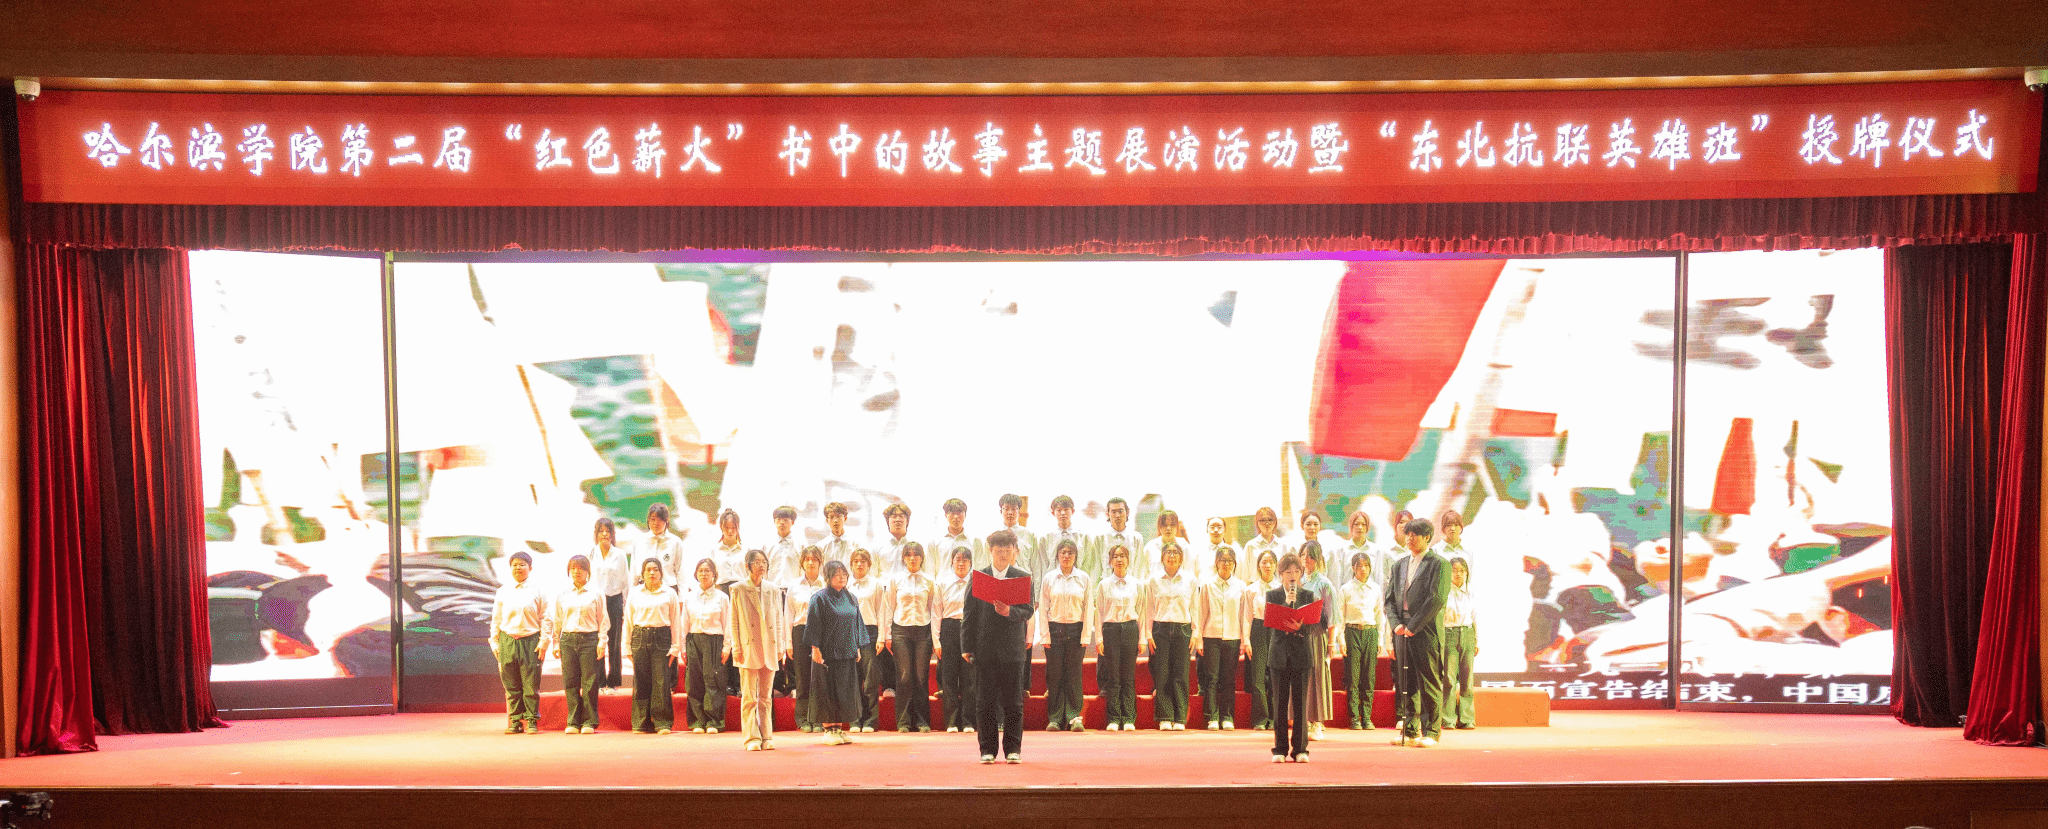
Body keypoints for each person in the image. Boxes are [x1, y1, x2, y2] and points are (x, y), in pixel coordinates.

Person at [963, 529, 1035, 764]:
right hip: (985, 648)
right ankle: (987, 750)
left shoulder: (1022, 577)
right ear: (990, 550)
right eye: (998, 549)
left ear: (1014, 551)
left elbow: (1028, 610)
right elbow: (969, 613)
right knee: (984, 701)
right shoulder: (979, 577)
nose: (1003, 553)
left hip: (1013, 649)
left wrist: (1009, 611)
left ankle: (1013, 749)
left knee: (1014, 702)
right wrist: (966, 646)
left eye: (1007, 549)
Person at [1385, 518, 1451, 748]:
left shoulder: (1439, 564)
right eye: (1407, 534)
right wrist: (1396, 624)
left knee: (1429, 682)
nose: (1409, 538)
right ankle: (1411, 731)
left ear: (1427, 537)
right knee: (1407, 683)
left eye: (1415, 535)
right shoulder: (1399, 565)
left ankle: (1431, 731)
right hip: (1401, 630)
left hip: (1425, 630)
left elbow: (1436, 599)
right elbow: (1389, 600)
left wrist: (1413, 626)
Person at [1267, 553, 1324, 763]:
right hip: (1279, 654)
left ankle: (1300, 750)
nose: (1293, 575)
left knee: (1301, 704)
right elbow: (1271, 622)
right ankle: (1280, 749)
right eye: (1288, 571)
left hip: (1301, 654)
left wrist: (1301, 627)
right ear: (1281, 574)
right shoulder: (1273, 595)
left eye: (1297, 571)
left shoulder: (1308, 595)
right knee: (1280, 704)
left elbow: (1314, 624)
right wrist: (1286, 603)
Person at [806, 560, 870, 745]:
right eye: (836, 574)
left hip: (847, 650)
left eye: (844, 574)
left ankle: (839, 729)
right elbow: (814, 624)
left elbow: (856, 623)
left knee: (844, 691)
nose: (841, 577)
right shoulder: (819, 598)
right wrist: (815, 648)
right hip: (826, 652)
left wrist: (857, 646)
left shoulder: (851, 598)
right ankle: (828, 730)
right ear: (827, 577)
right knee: (827, 690)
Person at [729, 549, 786, 751]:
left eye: (764, 562)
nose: (761, 565)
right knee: (749, 697)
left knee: (766, 697)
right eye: (757, 562)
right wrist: (736, 647)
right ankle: (751, 737)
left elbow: (778, 619)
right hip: (748, 646)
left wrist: (780, 646)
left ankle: (767, 736)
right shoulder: (738, 589)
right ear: (748, 566)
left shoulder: (773, 589)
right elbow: (733, 621)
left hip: (769, 646)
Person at [490, 551, 549, 734]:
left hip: (530, 640)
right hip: (507, 640)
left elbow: (546, 618)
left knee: (530, 685)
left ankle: (531, 721)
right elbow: (496, 619)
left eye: (522, 564)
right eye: (515, 565)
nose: (518, 568)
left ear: (530, 568)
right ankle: (515, 721)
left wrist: (544, 642)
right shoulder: (503, 591)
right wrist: (495, 643)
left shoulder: (537, 591)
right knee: (511, 685)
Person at [1193, 547, 1251, 730]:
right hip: (1211, 636)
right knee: (1211, 678)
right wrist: (1199, 639)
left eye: (1230, 561)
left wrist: (1244, 640)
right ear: (1216, 563)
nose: (1226, 564)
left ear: (1234, 564)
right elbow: (1201, 612)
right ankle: (1212, 716)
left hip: (1232, 637)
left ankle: (1227, 717)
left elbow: (1243, 615)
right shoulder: (1207, 585)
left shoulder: (1241, 586)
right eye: (1222, 560)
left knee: (1228, 679)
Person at [1037, 538, 1093, 731]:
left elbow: (1088, 609)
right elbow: (1043, 608)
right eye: (1063, 552)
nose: (1066, 556)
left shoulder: (1084, 578)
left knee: (1074, 675)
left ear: (1075, 556)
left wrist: (1086, 635)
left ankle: (1074, 717)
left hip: (1076, 630)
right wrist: (1045, 635)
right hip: (1054, 630)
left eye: (1070, 553)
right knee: (1055, 675)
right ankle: (1055, 718)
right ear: (1057, 556)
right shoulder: (1049, 578)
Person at [550, 554, 609, 734]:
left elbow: (603, 620)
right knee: (570, 681)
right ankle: (573, 722)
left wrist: (602, 642)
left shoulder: (596, 593)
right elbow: (558, 620)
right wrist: (556, 643)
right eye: (573, 568)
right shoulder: (562, 594)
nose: (577, 571)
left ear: (587, 571)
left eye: (581, 568)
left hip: (589, 639)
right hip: (568, 640)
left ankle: (589, 721)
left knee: (590, 682)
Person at [886, 541, 940, 732]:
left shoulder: (929, 580)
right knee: (904, 677)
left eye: (916, 555)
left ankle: (922, 721)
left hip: (923, 631)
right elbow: (889, 607)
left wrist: (935, 638)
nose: (912, 558)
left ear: (922, 558)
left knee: (920, 677)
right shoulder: (895, 579)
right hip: (900, 631)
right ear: (903, 558)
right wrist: (887, 635)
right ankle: (903, 722)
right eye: (908, 555)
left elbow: (933, 610)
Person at [626, 557, 683, 734]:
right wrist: (627, 646)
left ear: (661, 573)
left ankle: (662, 723)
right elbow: (628, 621)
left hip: (662, 638)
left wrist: (675, 647)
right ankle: (641, 722)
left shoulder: (669, 593)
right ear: (643, 573)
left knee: (661, 681)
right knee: (641, 680)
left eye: (655, 569)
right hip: (640, 637)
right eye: (648, 570)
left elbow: (675, 621)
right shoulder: (635, 593)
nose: (652, 573)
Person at [1144, 540, 1197, 730]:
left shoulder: (1190, 580)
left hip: (1183, 628)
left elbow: (1195, 607)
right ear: (1162, 558)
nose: (1172, 556)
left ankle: (1180, 718)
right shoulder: (1153, 580)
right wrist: (1148, 633)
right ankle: (1165, 716)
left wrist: (1195, 632)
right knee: (1162, 673)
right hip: (1160, 629)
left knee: (1181, 673)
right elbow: (1148, 608)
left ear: (1181, 558)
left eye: (1176, 553)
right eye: (1168, 552)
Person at [1094, 543, 1144, 731]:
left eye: (1123, 556)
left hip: (1130, 629)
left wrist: (1142, 639)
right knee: (1113, 676)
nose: (1119, 559)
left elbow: (1142, 612)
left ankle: (1129, 718)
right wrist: (1099, 638)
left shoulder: (1137, 584)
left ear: (1128, 560)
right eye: (1115, 556)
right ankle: (1114, 718)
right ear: (1110, 561)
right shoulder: (1103, 584)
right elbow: (1099, 613)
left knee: (1128, 677)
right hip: (1111, 630)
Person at [680, 558, 731, 734]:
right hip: (694, 640)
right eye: (700, 570)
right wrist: (683, 647)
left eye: (707, 570)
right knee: (694, 682)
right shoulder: (689, 597)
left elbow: (728, 624)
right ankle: (697, 721)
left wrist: (727, 647)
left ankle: (713, 721)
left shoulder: (722, 597)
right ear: (696, 574)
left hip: (714, 641)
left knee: (713, 681)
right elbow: (684, 624)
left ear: (714, 574)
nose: (704, 574)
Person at [783, 546, 828, 732]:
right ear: (802, 562)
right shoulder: (794, 585)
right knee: (802, 677)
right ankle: (802, 718)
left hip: (821, 633)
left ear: (820, 562)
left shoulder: (826, 584)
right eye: (807, 559)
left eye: (814, 559)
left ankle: (818, 719)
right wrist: (788, 643)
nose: (810, 563)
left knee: (819, 677)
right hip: (800, 631)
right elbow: (788, 614)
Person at [1337, 551, 1383, 729]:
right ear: (1353, 568)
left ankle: (1367, 717)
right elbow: (1340, 617)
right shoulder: (1345, 589)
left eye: (1366, 566)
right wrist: (1341, 640)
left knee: (1369, 677)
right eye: (1359, 566)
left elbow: (1379, 616)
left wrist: (1380, 640)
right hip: (1352, 632)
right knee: (1353, 677)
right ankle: (1354, 717)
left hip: (1370, 632)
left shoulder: (1376, 589)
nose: (1363, 569)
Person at [935, 545, 979, 733]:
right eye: (957, 560)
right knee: (949, 676)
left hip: (970, 630)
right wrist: (936, 640)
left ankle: (968, 721)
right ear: (952, 562)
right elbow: (936, 613)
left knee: (970, 678)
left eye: (965, 560)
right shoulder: (943, 583)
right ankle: (951, 721)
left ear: (970, 563)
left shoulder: (977, 583)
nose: (961, 564)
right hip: (949, 629)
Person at [1300, 541, 1339, 740]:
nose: (1306, 559)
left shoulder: (1324, 584)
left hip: (1317, 635)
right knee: (1301, 677)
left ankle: (1318, 722)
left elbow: (1332, 617)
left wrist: (1331, 643)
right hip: (1298, 636)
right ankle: (1304, 720)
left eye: (1311, 555)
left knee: (1317, 677)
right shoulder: (1297, 582)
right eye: (1303, 555)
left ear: (1318, 559)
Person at [847, 548, 888, 732]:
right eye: (856, 561)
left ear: (869, 564)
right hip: (850, 633)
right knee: (853, 677)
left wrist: (881, 637)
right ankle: (855, 720)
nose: (859, 564)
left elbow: (882, 611)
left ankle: (871, 720)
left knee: (871, 678)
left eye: (863, 561)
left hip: (870, 631)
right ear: (851, 564)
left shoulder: (876, 584)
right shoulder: (846, 585)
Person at [588, 517, 631, 690]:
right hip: (597, 602)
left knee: (614, 643)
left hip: (614, 600)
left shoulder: (619, 554)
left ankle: (613, 682)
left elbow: (625, 581)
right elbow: (588, 579)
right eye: (601, 531)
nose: (604, 534)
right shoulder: (591, 553)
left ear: (612, 534)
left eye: (608, 531)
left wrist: (626, 606)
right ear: (596, 534)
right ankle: (599, 681)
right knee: (597, 641)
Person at [1245, 548, 1281, 731]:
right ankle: (1260, 718)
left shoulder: (1281, 588)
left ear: (1276, 566)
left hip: (1277, 631)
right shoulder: (1251, 589)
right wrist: (1246, 639)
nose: (1268, 565)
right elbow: (1246, 616)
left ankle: (1275, 719)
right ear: (1258, 565)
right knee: (1258, 676)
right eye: (1264, 562)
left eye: (1271, 562)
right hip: (1258, 629)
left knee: (1275, 675)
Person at [1443, 556, 1478, 731]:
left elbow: (1476, 617)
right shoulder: (1443, 590)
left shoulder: (1471, 591)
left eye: (1462, 571)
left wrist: (1477, 639)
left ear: (1467, 573)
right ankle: (1448, 719)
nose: (1458, 574)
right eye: (1454, 570)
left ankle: (1466, 719)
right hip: (1449, 633)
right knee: (1449, 678)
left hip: (1467, 633)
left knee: (1467, 678)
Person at [1038, 495, 1094, 588]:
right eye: (1059, 510)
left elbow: (1088, 564)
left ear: (1072, 511)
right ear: (1053, 513)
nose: (1063, 513)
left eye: (1066, 509)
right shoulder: (1046, 538)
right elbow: (1043, 566)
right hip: (1053, 585)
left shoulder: (1084, 538)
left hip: (1078, 585)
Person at [1098, 498, 1146, 588]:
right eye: (1113, 512)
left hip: (1130, 589)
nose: (1117, 515)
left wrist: (1137, 589)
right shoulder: (1100, 538)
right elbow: (1096, 568)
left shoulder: (1136, 537)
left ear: (1127, 512)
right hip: (1107, 589)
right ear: (1107, 514)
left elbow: (1139, 568)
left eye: (1120, 511)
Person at [635, 503, 685, 587]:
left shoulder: (675, 542)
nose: (656, 523)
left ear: (666, 521)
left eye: (660, 520)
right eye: (653, 519)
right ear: (648, 520)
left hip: (668, 588)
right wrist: (632, 592)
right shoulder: (639, 541)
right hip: (644, 588)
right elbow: (634, 571)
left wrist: (682, 595)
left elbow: (681, 572)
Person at [998, 494, 1041, 577]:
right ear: (1001, 511)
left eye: (1014, 509)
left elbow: (1036, 565)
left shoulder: (1030, 535)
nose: (1010, 512)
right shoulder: (994, 536)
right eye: (1006, 509)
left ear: (1019, 512)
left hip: (1024, 580)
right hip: (999, 580)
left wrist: (1035, 585)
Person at [933, 498, 981, 571]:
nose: (956, 517)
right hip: (943, 578)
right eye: (952, 513)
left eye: (959, 513)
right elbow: (929, 569)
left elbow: (980, 568)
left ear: (965, 515)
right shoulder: (935, 541)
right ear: (946, 515)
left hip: (968, 579)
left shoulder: (975, 540)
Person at [1142, 510, 1187, 583]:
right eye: (1165, 525)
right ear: (1159, 527)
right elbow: (1143, 574)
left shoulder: (1184, 546)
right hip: (1156, 588)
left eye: (1172, 525)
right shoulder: (1150, 547)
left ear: (1177, 527)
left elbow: (1189, 572)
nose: (1168, 528)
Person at [876, 502, 917, 580]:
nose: (898, 520)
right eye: (894, 517)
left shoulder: (916, 546)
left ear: (907, 521)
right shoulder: (878, 547)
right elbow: (872, 575)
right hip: (885, 586)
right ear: (888, 521)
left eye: (901, 516)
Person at [765, 505, 803, 586]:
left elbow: (803, 570)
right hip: (771, 588)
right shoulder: (767, 545)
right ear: (774, 521)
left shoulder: (800, 545)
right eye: (778, 519)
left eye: (786, 520)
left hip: (793, 589)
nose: (782, 523)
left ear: (792, 522)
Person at [1195, 516, 1238, 584]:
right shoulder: (1199, 551)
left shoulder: (1232, 551)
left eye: (1219, 527)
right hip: (1204, 588)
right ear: (1207, 530)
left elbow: (1237, 574)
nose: (1215, 530)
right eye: (1212, 527)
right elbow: (1195, 573)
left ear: (1225, 529)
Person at [711, 509, 747, 589]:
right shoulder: (714, 551)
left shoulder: (745, 550)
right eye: (727, 528)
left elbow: (751, 575)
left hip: (742, 590)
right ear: (721, 527)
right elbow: (711, 576)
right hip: (721, 590)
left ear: (738, 527)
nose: (730, 531)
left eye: (733, 527)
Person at [819, 502, 856, 568]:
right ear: (827, 520)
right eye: (831, 517)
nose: (835, 520)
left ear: (845, 518)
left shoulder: (855, 545)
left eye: (839, 516)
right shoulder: (821, 546)